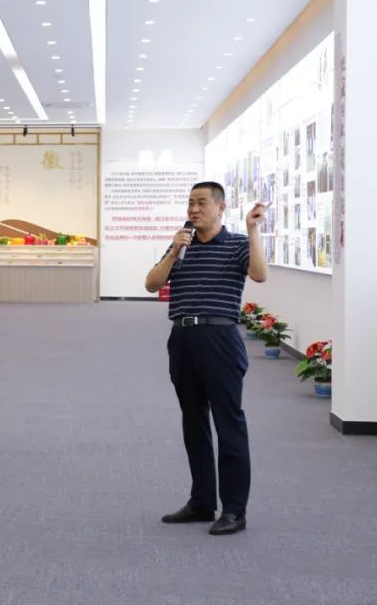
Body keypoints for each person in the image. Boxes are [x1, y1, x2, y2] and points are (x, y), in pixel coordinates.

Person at [144, 182, 268, 536]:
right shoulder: (180, 244)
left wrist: (253, 230)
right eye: (190, 203)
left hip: (219, 339)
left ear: (220, 208)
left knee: (229, 423)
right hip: (183, 339)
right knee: (193, 422)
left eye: (201, 203)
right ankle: (201, 501)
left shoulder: (238, 244)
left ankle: (234, 510)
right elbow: (151, 284)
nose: (194, 209)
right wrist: (173, 253)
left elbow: (259, 274)